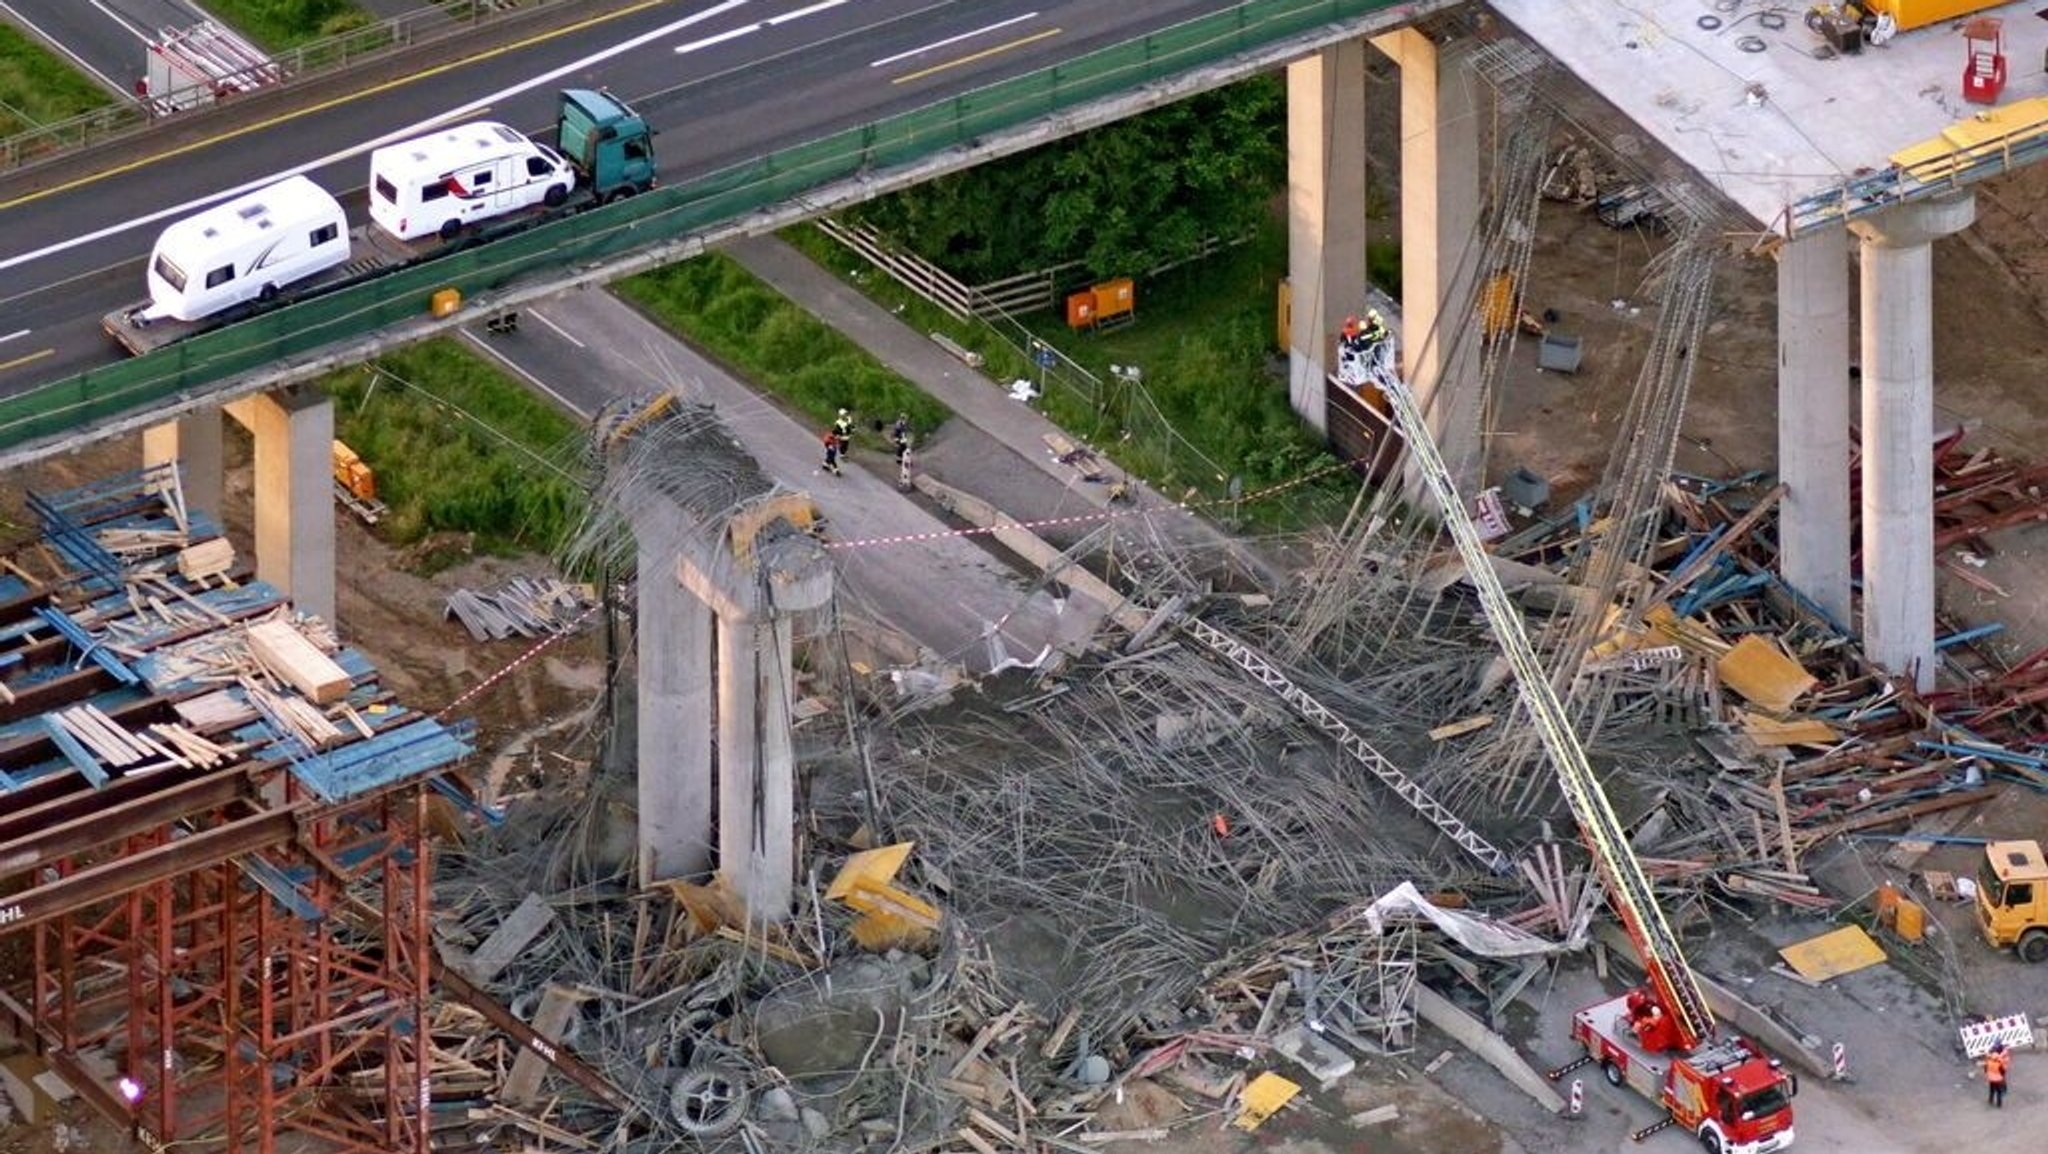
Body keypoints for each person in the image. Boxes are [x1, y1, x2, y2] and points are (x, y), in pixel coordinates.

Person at [1984, 1041, 2010, 1108]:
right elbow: (2002, 1071)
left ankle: (1990, 1100)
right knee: (1999, 1092)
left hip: (1991, 1079)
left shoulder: (1989, 1062)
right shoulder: (1999, 1063)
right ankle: (1999, 1104)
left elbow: (1986, 1069)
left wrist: (1987, 1074)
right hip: (1998, 1079)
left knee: (1991, 1090)